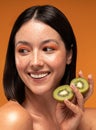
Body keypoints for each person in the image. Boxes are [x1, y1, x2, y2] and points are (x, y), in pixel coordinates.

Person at [0, 4, 96, 130]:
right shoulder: (12, 119)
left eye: (48, 49)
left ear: (69, 55)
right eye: (23, 50)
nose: (35, 62)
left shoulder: (92, 121)